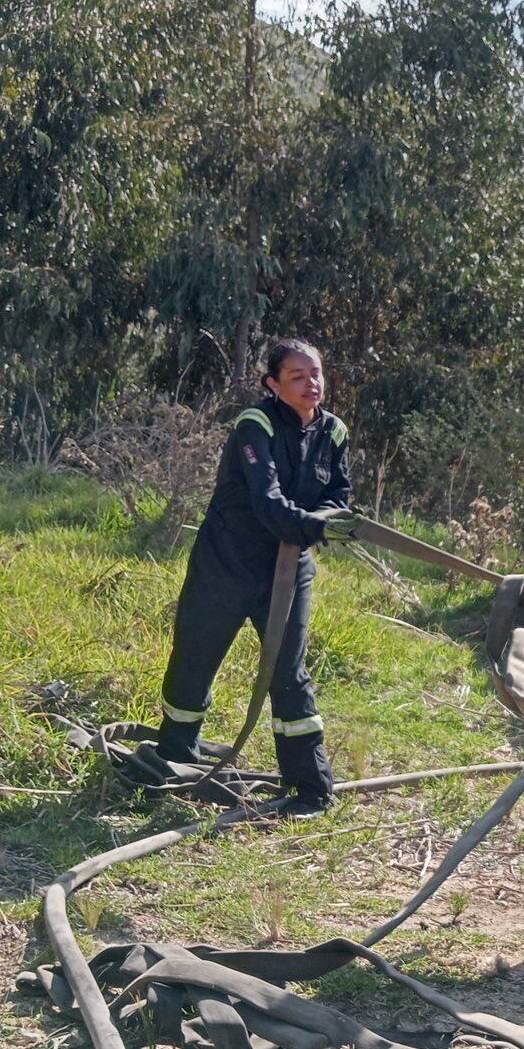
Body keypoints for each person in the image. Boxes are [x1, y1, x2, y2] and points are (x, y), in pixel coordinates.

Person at [152, 337, 357, 816]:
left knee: (288, 673)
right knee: (194, 662)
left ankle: (310, 788)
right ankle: (174, 763)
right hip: (225, 563)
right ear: (273, 384)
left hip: (288, 572)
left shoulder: (335, 431)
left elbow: (339, 498)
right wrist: (317, 526)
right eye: (298, 376)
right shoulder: (255, 424)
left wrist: (323, 523)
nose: (312, 384)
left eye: (317, 374)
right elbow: (267, 503)